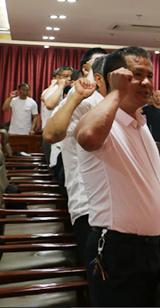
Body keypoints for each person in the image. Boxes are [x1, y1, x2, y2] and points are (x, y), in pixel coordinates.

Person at [75, 46, 160, 307]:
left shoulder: (138, 121)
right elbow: (87, 137)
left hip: (148, 248)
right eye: (136, 75)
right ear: (114, 78)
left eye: (149, 75)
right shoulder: (102, 121)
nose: (147, 82)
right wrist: (115, 92)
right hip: (119, 250)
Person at [43, 52, 107, 265]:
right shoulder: (80, 95)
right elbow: (51, 134)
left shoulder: (112, 100)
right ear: (85, 70)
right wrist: (76, 96)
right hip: (87, 201)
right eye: (97, 64)